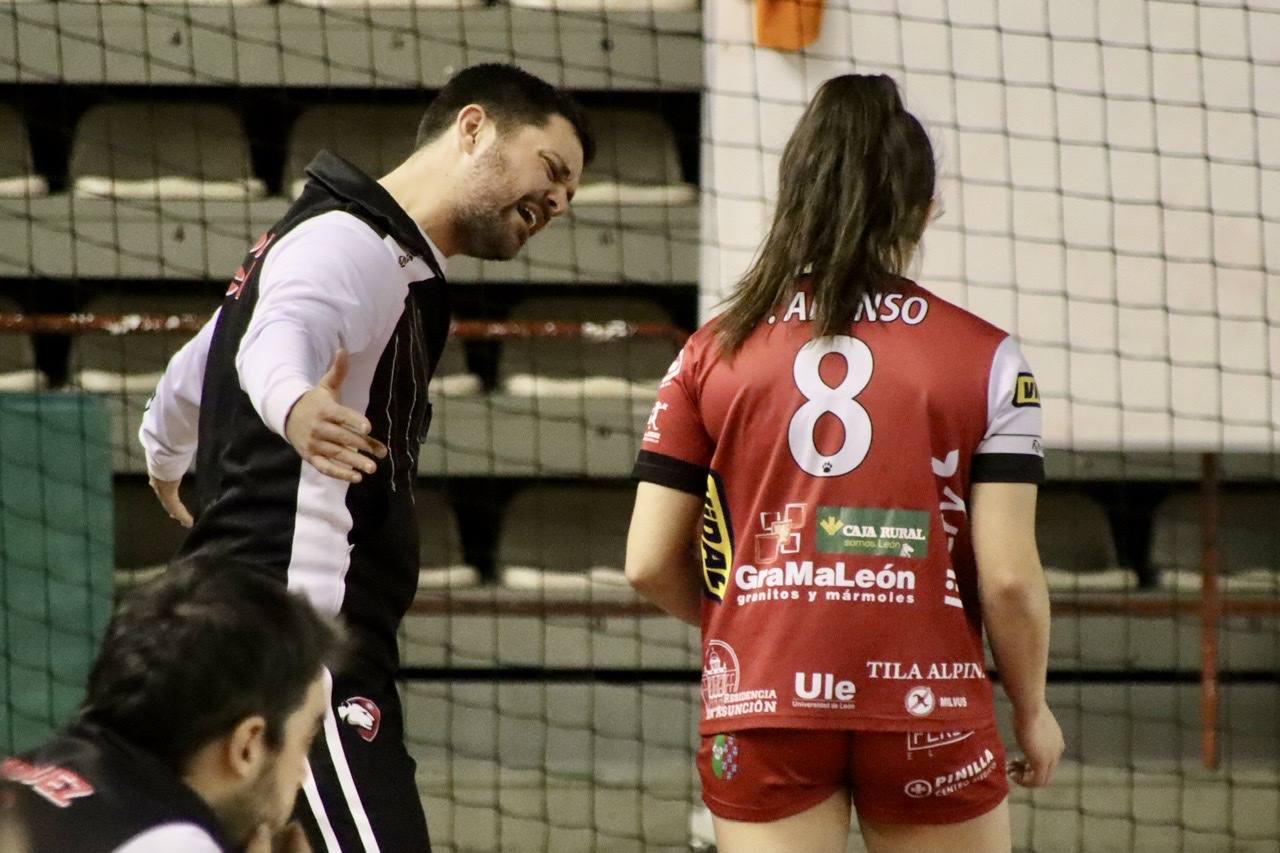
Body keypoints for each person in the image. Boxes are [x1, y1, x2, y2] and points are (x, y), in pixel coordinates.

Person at [137, 63, 594, 852]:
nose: (556, 202)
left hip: (255, 631)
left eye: (569, 197)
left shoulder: (344, 239)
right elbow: (278, 339)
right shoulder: (359, 244)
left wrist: (163, 450)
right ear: (474, 127)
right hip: (297, 648)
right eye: (551, 171)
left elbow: (203, 358)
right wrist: (295, 402)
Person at [625, 74, 1064, 853]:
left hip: (762, 700)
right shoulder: (990, 357)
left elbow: (647, 561)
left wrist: (755, 619)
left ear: (795, 195)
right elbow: (1006, 578)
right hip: (931, 703)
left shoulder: (712, 350)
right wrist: (1031, 709)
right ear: (926, 208)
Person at [0, 562, 347, 853]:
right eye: (305, 742)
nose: (302, 773)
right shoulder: (172, 844)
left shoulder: (25, 779)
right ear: (247, 746)